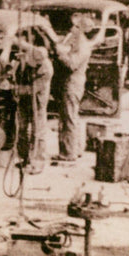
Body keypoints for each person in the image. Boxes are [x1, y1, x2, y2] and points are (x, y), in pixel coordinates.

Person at [0, 31, 53, 174]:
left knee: (38, 132)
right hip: (24, 100)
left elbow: (32, 89)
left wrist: (12, 87)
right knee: (22, 129)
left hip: (37, 102)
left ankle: (37, 163)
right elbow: (21, 48)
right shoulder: (31, 54)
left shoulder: (46, 70)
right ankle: (24, 159)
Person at [52, 13, 102, 163]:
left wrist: (60, 54)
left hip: (72, 83)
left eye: (75, 26)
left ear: (81, 28)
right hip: (73, 82)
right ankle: (76, 148)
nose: (71, 29)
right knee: (72, 116)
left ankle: (68, 153)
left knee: (69, 117)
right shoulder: (79, 42)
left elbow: (72, 64)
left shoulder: (83, 45)